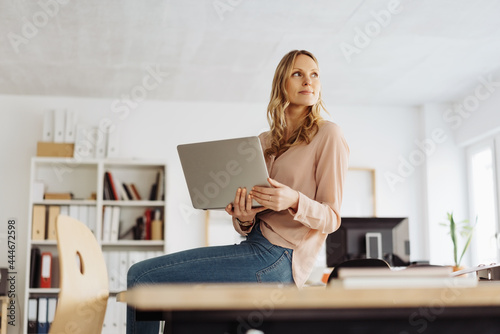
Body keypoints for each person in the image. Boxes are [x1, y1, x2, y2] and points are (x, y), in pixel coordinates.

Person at [126, 49, 350, 333]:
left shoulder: (328, 134)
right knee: (178, 316)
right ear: (282, 83)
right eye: (298, 74)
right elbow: (249, 222)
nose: (309, 81)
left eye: (314, 74)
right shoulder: (264, 141)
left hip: (280, 258)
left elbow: (332, 218)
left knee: (142, 276)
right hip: (254, 247)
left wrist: (294, 200)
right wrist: (243, 217)